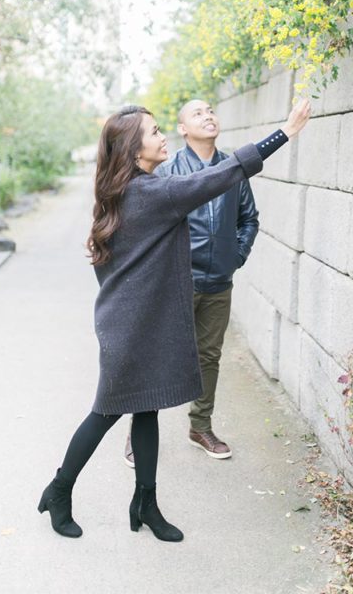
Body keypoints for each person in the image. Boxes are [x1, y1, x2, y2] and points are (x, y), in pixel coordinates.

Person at [38, 98, 311, 542]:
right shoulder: (153, 193)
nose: (162, 136)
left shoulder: (124, 191)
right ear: (133, 148)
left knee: (147, 410)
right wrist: (286, 132)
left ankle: (145, 504)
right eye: (154, 131)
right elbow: (222, 174)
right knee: (105, 413)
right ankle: (59, 490)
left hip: (134, 324)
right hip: (130, 333)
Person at [123, 99, 255, 465]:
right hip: (177, 284)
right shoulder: (168, 171)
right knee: (157, 356)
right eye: (197, 113)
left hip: (218, 283)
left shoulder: (233, 169)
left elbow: (249, 220)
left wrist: (235, 256)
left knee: (209, 357)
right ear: (183, 129)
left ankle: (201, 426)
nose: (208, 115)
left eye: (210, 110)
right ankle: (139, 433)